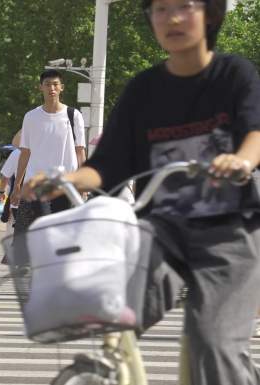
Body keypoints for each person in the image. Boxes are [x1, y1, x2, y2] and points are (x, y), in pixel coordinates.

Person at [22, 0, 260, 383]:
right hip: (161, 233)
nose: (173, 18)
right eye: (161, 9)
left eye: (184, 6)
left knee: (213, 344)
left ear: (211, 14)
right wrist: (63, 179)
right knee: (109, 314)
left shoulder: (233, 74)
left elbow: (254, 133)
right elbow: (107, 166)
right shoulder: (144, 90)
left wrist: (243, 161)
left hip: (227, 233)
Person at [10, 69, 86, 232]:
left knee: (63, 232)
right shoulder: (31, 117)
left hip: (66, 182)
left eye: (55, 84)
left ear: (61, 87)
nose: (51, 88)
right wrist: (17, 185)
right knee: (42, 228)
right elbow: (25, 152)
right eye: (47, 85)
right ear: (40, 88)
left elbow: (80, 151)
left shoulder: (74, 116)